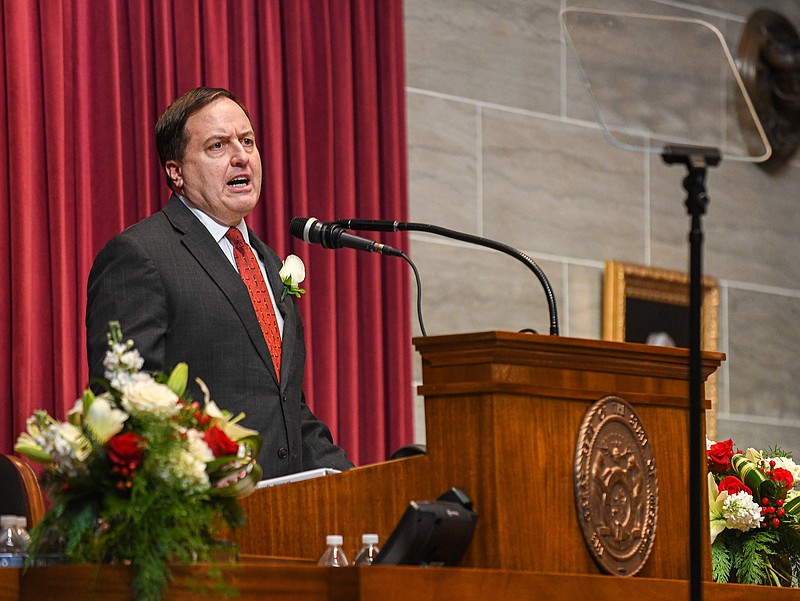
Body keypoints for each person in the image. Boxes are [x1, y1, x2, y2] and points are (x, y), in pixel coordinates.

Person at [86, 87, 354, 479]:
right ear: (175, 171)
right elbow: (125, 404)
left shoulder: (268, 262)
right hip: (199, 515)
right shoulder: (141, 255)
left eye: (247, 141)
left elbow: (286, 408)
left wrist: (354, 482)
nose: (241, 156)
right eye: (217, 146)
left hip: (284, 513)